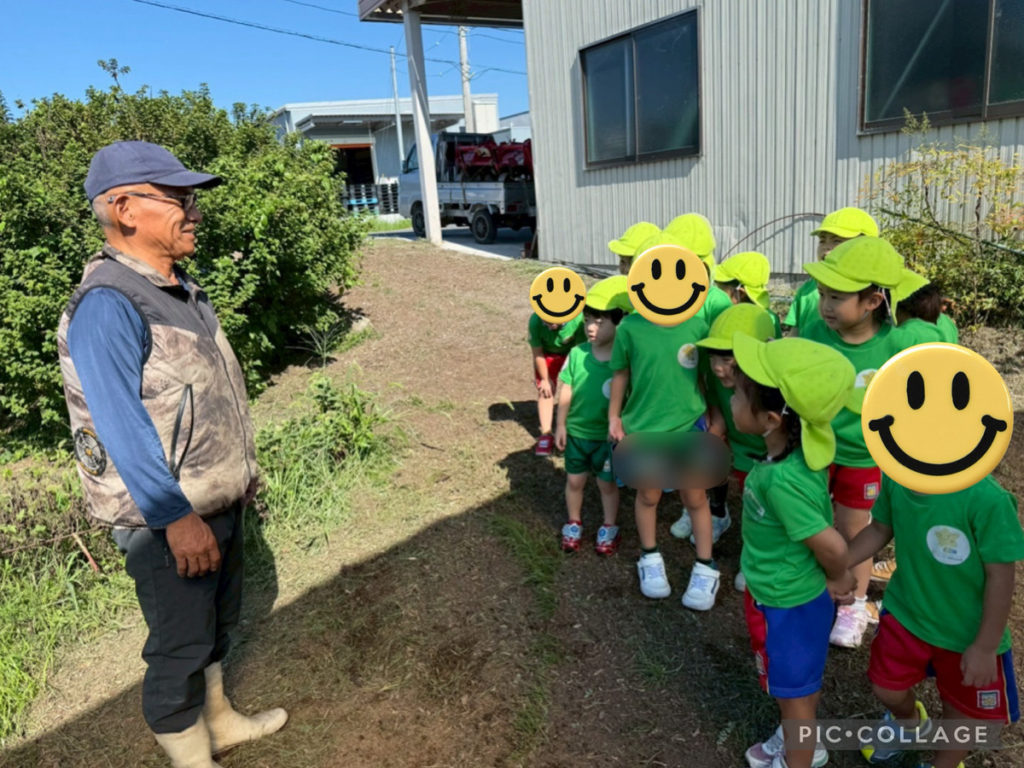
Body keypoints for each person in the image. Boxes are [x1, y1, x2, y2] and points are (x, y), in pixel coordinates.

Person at [57, 141, 287, 768]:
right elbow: (119, 424)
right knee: (179, 648)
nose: (195, 212)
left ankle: (222, 723)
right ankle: (192, 758)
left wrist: (238, 477)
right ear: (124, 209)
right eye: (179, 199)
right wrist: (175, 517)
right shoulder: (109, 303)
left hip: (213, 500)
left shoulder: (178, 288)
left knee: (215, 625)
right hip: (167, 519)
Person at [799, 236, 943, 648]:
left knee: (854, 531)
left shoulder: (899, 345)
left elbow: (936, 371)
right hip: (815, 447)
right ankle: (816, 585)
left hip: (865, 455)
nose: (825, 305)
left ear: (873, 301)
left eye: (837, 297)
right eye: (822, 294)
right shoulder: (815, 332)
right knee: (813, 522)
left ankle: (855, 604)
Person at [730, 334, 857, 768]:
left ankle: (799, 755)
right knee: (797, 687)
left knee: (794, 696)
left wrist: (840, 576)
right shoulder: (795, 456)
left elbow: (831, 543)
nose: (731, 398)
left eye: (737, 395)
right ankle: (799, 737)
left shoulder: (782, 481)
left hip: (788, 604)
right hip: (780, 593)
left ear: (770, 419)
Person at [848, 473, 1024, 768]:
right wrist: (838, 563)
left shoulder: (989, 500)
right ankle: (909, 723)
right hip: (906, 615)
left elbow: (1001, 577)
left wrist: (985, 646)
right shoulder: (898, 477)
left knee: (960, 709)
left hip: (966, 634)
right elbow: (879, 528)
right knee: (886, 687)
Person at [608, 255, 719, 609]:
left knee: (695, 497)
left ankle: (705, 566)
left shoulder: (698, 325)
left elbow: (705, 377)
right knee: (649, 495)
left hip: (690, 427)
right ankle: (650, 557)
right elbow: (621, 373)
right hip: (643, 430)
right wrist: (614, 416)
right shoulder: (629, 328)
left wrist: (714, 414)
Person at [693, 303, 778, 592]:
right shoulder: (716, 376)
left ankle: (759, 558)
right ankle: (733, 531)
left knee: (771, 505)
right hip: (741, 449)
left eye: (728, 357)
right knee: (750, 501)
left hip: (773, 454)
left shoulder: (775, 384)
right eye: (714, 356)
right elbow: (717, 407)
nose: (718, 366)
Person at [554, 276, 631, 554]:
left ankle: (609, 526)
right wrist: (560, 424)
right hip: (577, 434)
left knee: (606, 484)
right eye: (587, 320)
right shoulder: (576, 354)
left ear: (619, 322)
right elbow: (566, 389)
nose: (590, 327)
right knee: (574, 480)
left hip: (606, 438)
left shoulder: (625, 360)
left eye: (599, 322)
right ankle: (574, 522)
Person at [785, 207, 879, 335]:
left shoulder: (874, 292)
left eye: (837, 241)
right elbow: (795, 333)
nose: (826, 248)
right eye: (822, 241)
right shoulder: (807, 290)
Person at [528, 310, 585, 455]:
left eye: (554, 322)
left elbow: (580, 351)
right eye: (546, 322)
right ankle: (546, 433)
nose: (551, 326)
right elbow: (538, 354)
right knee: (545, 390)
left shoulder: (578, 320)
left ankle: (573, 431)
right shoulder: (535, 321)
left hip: (572, 353)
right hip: (547, 355)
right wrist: (545, 379)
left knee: (576, 389)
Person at [712, 251, 783, 336]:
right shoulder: (770, 319)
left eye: (720, 290)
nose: (716, 294)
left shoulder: (728, 320)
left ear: (740, 293)